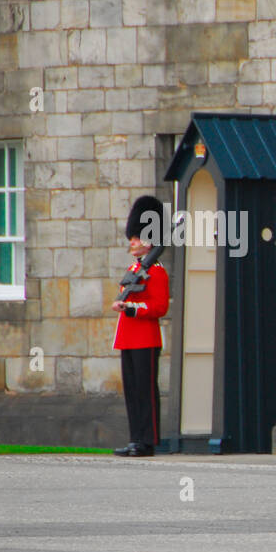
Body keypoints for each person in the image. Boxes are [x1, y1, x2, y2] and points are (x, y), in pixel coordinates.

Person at [110, 195, 169, 458]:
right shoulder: (133, 269)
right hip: (129, 337)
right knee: (132, 391)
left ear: (149, 240)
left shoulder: (156, 272)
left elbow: (159, 308)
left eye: (137, 237)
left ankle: (148, 440)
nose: (132, 241)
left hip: (146, 337)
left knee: (146, 391)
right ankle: (136, 437)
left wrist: (132, 308)